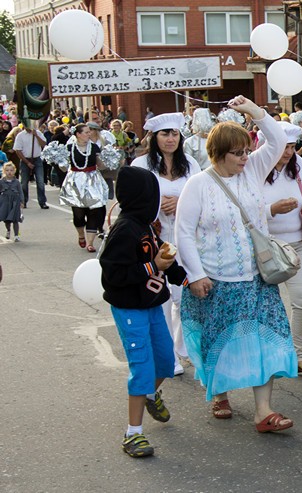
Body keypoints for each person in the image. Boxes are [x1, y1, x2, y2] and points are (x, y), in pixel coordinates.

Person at [176, 95, 297, 431]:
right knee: (220, 341)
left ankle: (263, 411)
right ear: (218, 154)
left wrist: (255, 113)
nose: (246, 157)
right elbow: (183, 233)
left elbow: (277, 140)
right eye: (238, 153)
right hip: (217, 280)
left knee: (267, 339)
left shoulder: (254, 170)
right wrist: (196, 275)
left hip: (258, 277)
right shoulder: (197, 186)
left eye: (246, 150)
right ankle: (220, 394)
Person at [99, 166, 189, 458]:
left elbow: (163, 255)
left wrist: (188, 280)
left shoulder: (146, 226)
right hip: (130, 309)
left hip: (151, 305)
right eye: (153, 195)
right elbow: (112, 274)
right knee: (142, 368)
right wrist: (153, 268)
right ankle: (132, 434)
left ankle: (150, 395)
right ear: (142, 197)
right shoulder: (124, 229)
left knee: (164, 362)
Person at [132, 113, 201, 376]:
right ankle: (167, 354)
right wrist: (159, 204)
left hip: (186, 240)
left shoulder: (191, 164)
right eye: (165, 134)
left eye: (174, 134)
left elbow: (201, 194)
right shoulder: (141, 164)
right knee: (160, 299)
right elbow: (132, 201)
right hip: (155, 241)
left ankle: (186, 349)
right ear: (155, 138)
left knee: (186, 297)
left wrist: (180, 201)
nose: (170, 139)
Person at [262, 121, 302, 377]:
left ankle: (301, 356)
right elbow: (242, 208)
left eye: (291, 147)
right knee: (265, 307)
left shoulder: (298, 169)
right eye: (283, 147)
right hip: (265, 247)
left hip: (298, 245)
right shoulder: (255, 168)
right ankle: (269, 357)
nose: (288, 152)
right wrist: (271, 210)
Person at [59, 124, 108, 252]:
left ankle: (90, 243)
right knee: (78, 214)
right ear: (78, 134)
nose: (89, 134)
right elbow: (63, 167)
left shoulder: (95, 147)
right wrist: (60, 161)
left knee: (94, 211)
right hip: (76, 182)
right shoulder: (69, 148)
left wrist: (109, 160)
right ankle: (81, 235)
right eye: (86, 132)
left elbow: (101, 166)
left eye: (89, 131)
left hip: (93, 181)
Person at [13, 121, 48, 209]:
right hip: (26, 160)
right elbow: (18, 150)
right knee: (24, 182)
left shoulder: (38, 133)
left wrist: (36, 135)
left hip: (37, 159)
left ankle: (42, 202)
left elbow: (44, 144)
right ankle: (24, 201)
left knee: (40, 181)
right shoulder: (20, 136)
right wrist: (27, 162)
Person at [0, 162, 22, 241]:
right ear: (4, 171)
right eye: (7, 170)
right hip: (5, 202)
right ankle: (8, 230)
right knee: (7, 219)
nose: (9, 172)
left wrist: (22, 201)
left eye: (11, 170)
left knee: (15, 219)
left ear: (14, 171)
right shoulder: (1, 182)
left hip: (15, 201)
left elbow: (20, 192)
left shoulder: (17, 182)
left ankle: (16, 235)